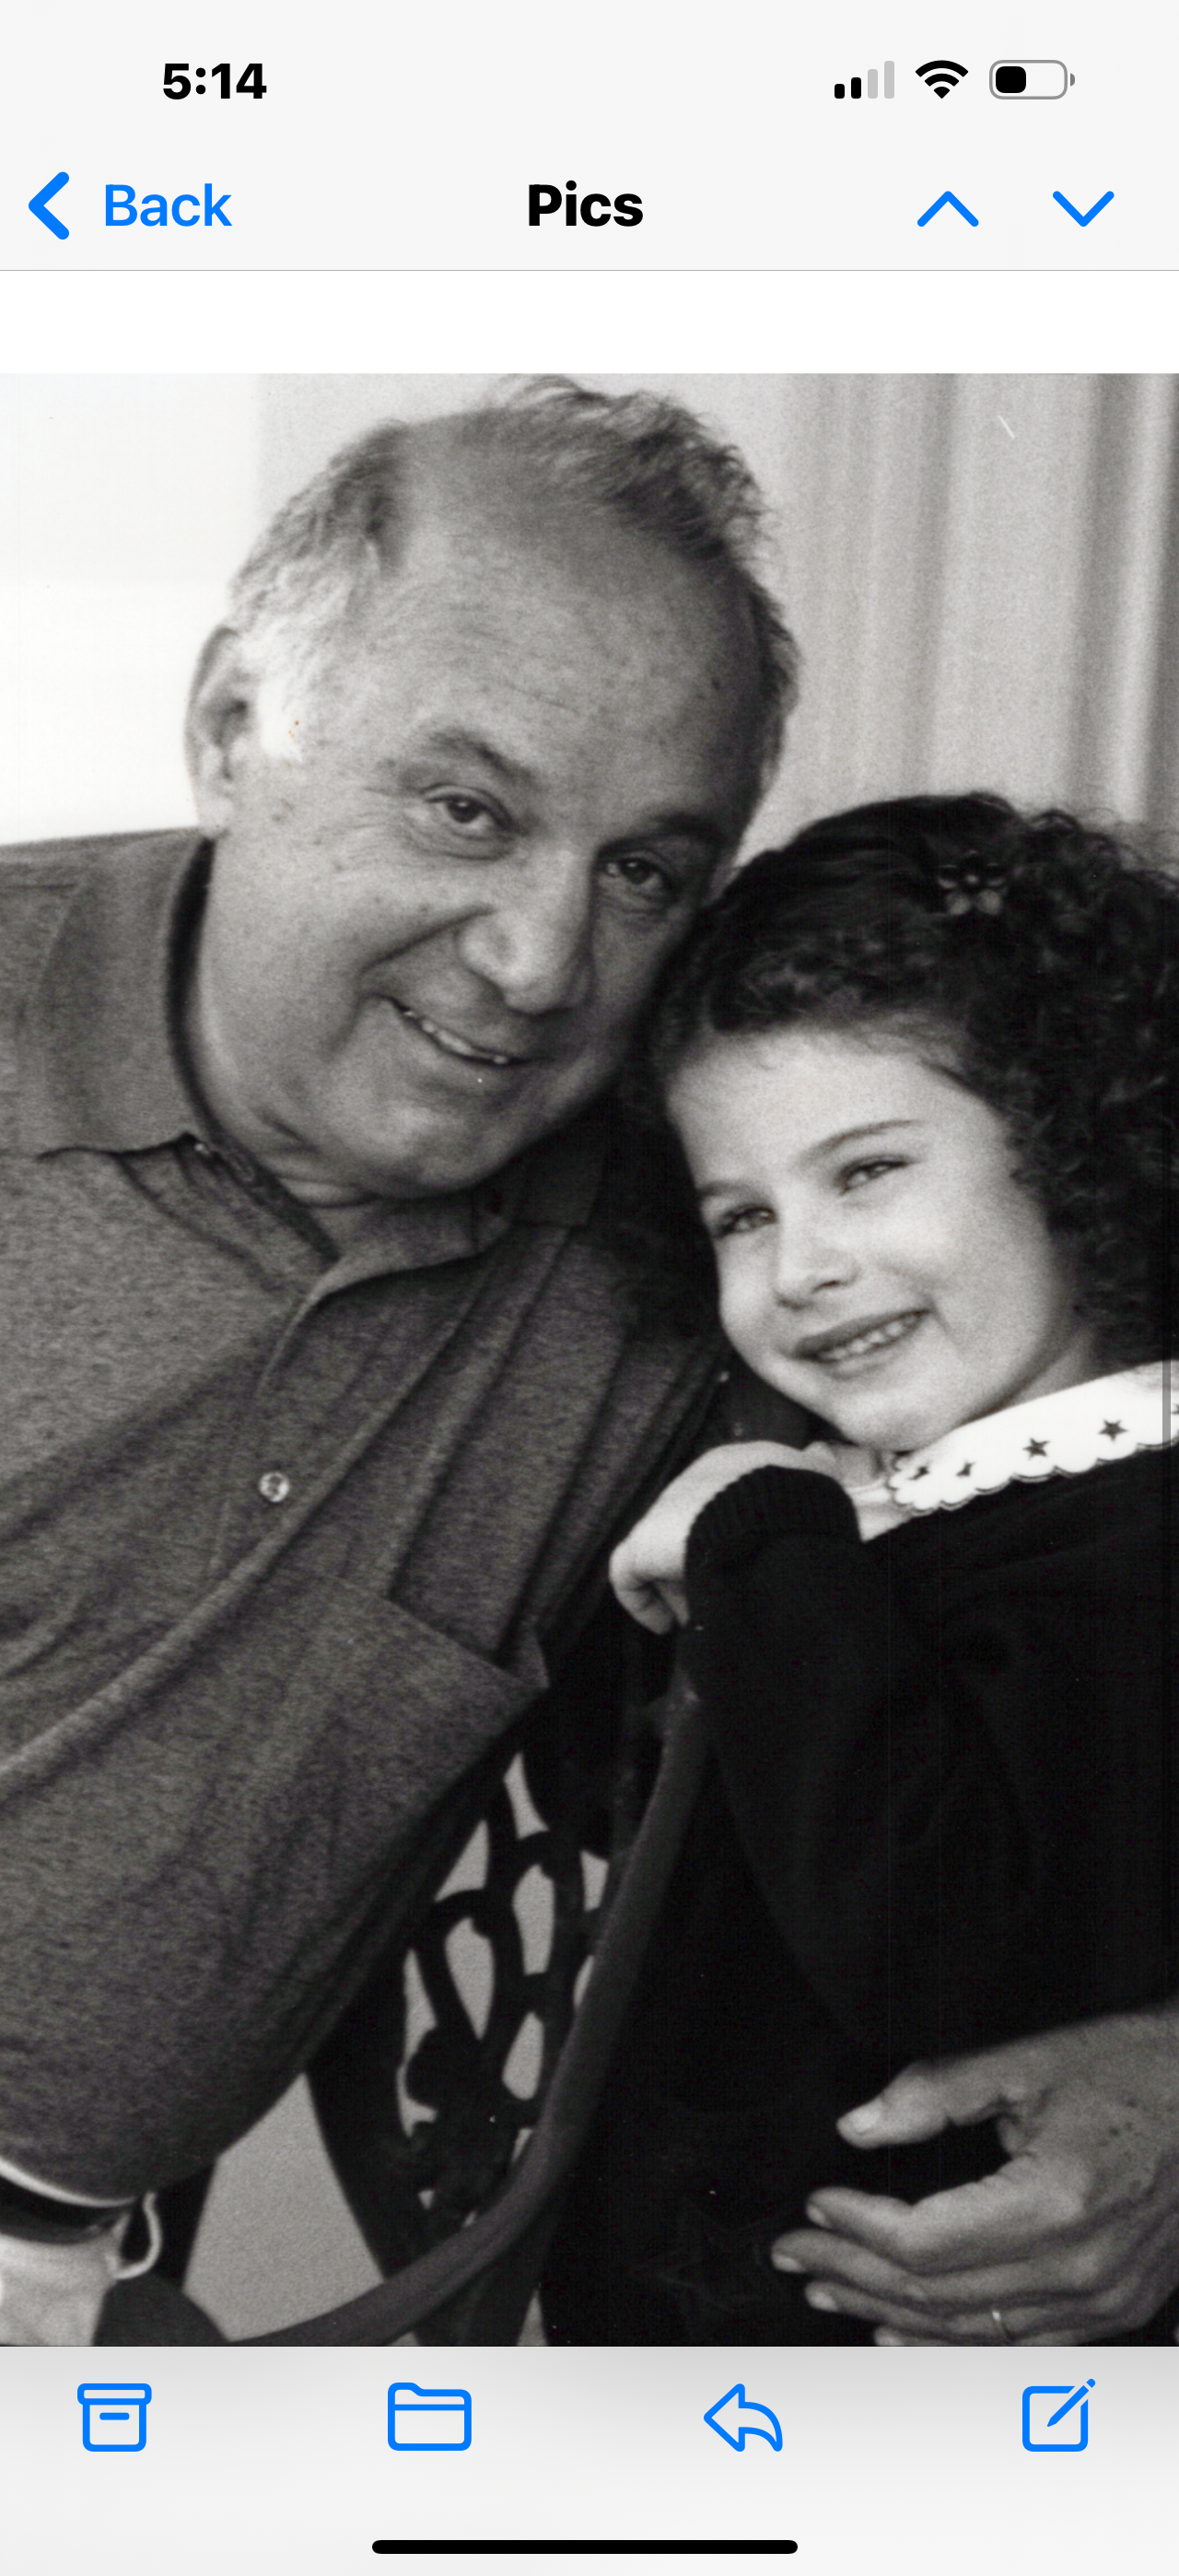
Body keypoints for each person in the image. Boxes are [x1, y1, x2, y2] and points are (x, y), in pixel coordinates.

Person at [0, 380, 790, 2341]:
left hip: (65, 2275)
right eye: (467, 810)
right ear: (231, 727)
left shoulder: (721, 1213)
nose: (537, 964)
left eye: (642, 871)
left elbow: (1078, 1510)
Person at [541, 793, 1179, 2346]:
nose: (801, 1267)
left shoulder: (1135, 1537)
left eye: (867, 1171)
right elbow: (612, 1790)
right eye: (739, 1215)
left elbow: (942, 1955)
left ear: (1074, 1140)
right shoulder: (891, 1499)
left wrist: (762, 1544)